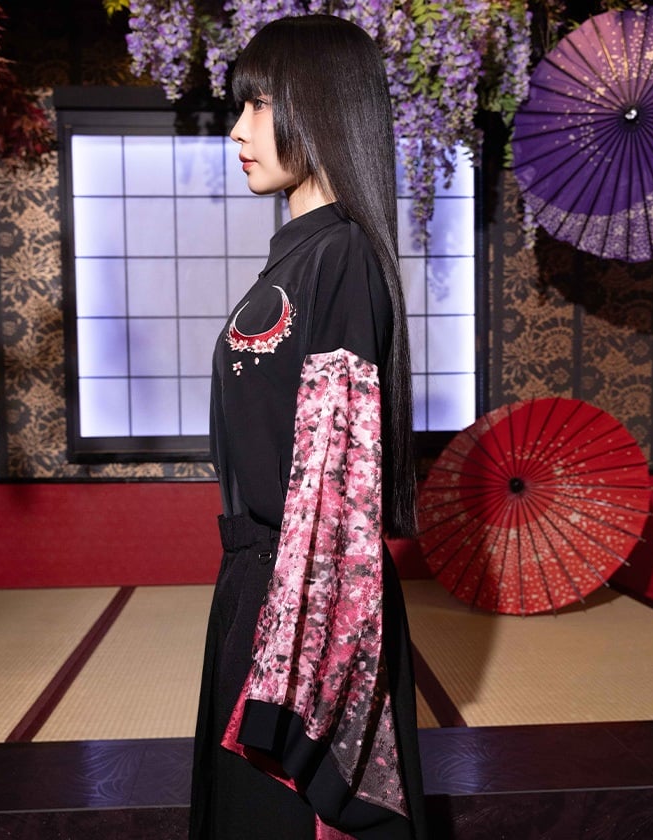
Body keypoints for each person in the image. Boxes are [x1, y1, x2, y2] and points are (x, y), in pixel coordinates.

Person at [189, 14, 428, 840]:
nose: (238, 130)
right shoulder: (296, 257)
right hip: (256, 586)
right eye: (242, 107)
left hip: (302, 597)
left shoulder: (342, 258)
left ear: (319, 107)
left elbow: (340, 482)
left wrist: (299, 646)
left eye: (258, 105)